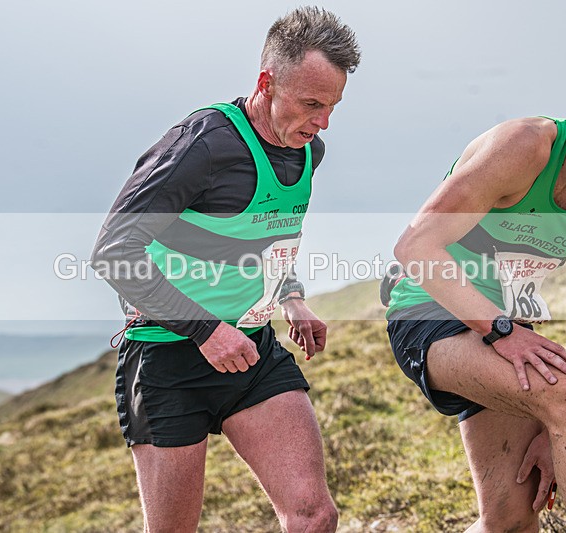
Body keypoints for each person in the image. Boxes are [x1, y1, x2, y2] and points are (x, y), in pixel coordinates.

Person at [90, 7, 360, 532]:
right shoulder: (203, 144)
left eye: (332, 106)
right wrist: (206, 329)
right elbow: (113, 251)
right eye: (311, 103)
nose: (322, 121)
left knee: (314, 516)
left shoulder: (309, 151)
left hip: (252, 352)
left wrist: (292, 297)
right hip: (168, 360)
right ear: (267, 82)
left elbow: (271, 237)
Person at [383, 70, 566, 532]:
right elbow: (416, 247)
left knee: (511, 521)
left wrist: (556, 426)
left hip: (504, 328)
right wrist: (502, 332)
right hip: (429, 307)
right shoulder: (523, 148)